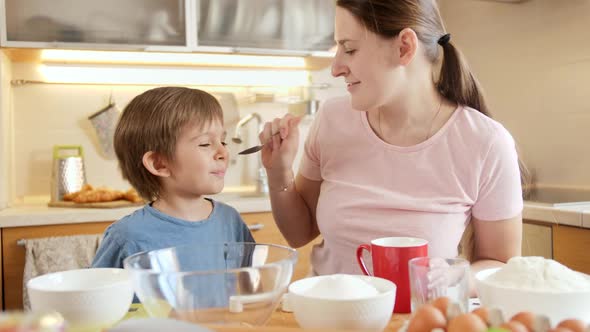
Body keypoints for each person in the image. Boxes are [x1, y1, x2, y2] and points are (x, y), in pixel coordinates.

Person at [258, 0, 525, 296]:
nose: (335, 68)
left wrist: (454, 276)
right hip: (329, 317)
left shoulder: (485, 142)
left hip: (415, 322)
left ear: (404, 48)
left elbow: (500, 263)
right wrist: (278, 171)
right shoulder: (331, 120)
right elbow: (298, 233)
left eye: (349, 49)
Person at [92, 87, 254, 271]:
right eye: (205, 143)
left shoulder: (230, 220)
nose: (224, 152)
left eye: (223, 142)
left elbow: (251, 289)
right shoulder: (126, 237)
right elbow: (93, 298)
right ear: (159, 164)